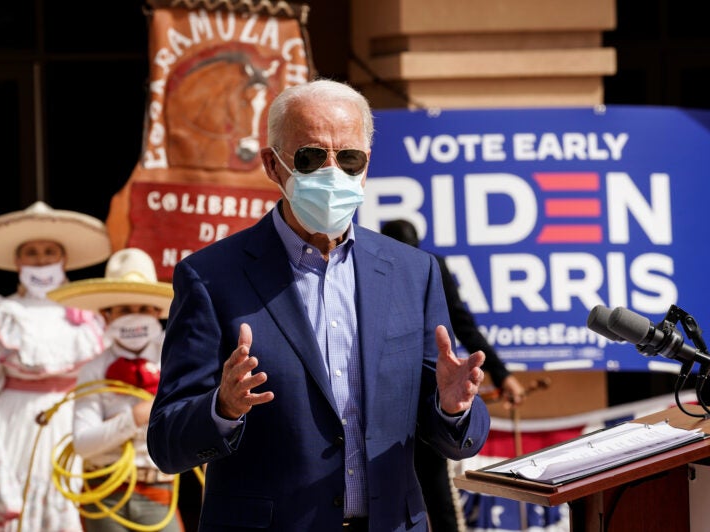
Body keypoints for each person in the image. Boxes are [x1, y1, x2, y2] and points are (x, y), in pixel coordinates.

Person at [146, 78, 491, 532]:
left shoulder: (413, 272)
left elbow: (451, 430)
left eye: (349, 158)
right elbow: (167, 442)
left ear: (366, 166)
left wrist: (453, 407)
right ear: (273, 165)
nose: (333, 173)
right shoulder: (211, 278)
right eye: (312, 157)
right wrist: (222, 408)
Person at [0, 201, 111, 531]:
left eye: (49, 251)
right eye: (31, 252)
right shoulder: (3, 315)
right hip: (13, 429)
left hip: (73, 428)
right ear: (18, 261)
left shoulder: (89, 317)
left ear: (63, 258)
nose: (41, 259)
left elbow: (102, 385)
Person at [381, 218, 526, 531]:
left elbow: (461, 323)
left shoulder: (430, 268)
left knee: (436, 492)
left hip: (427, 395)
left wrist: (502, 375)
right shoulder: (367, 271)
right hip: (380, 399)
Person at [47, 247, 184, 532]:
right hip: (104, 494)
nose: (135, 316)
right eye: (124, 309)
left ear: (158, 313)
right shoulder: (93, 370)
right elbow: (83, 444)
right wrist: (135, 418)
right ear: (107, 315)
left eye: (143, 309)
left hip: (159, 491)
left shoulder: (175, 361)